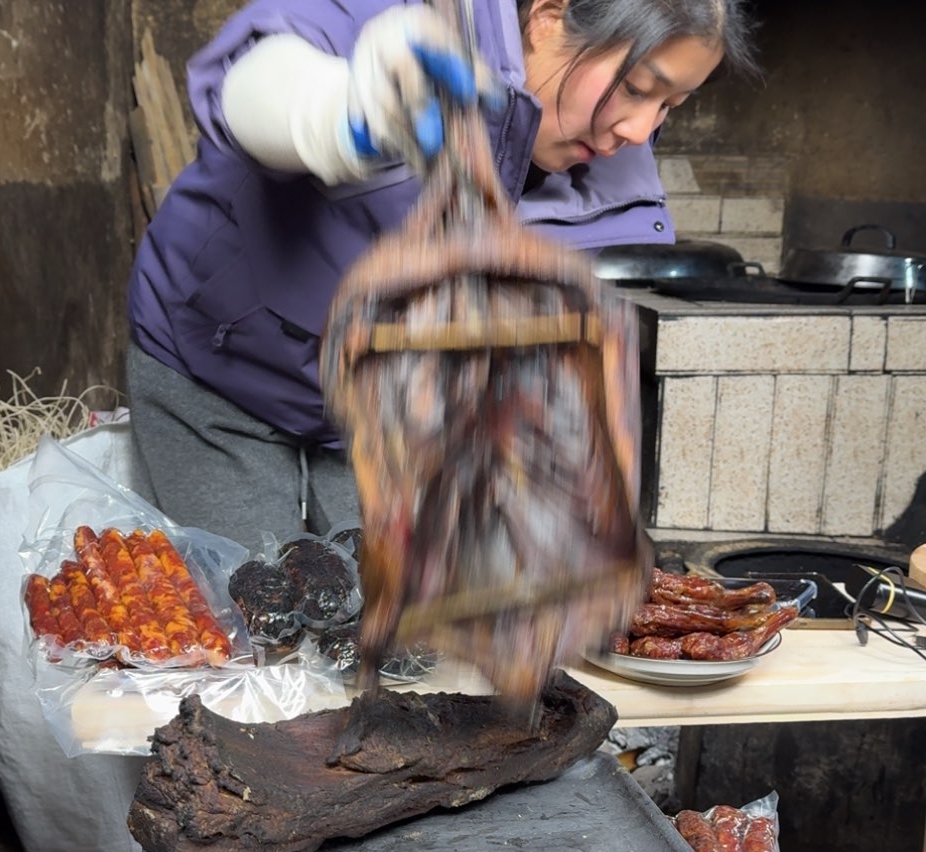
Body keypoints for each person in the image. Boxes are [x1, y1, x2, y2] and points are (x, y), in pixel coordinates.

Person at [126, 0, 759, 549]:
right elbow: (252, 84)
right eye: (638, 87)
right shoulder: (408, 22)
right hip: (221, 373)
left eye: (670, 106)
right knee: (252, 607)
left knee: (387, 622)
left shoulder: (594, 161)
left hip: (374, 419)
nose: (640, 130)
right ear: (548, 17)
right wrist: (336, 111)